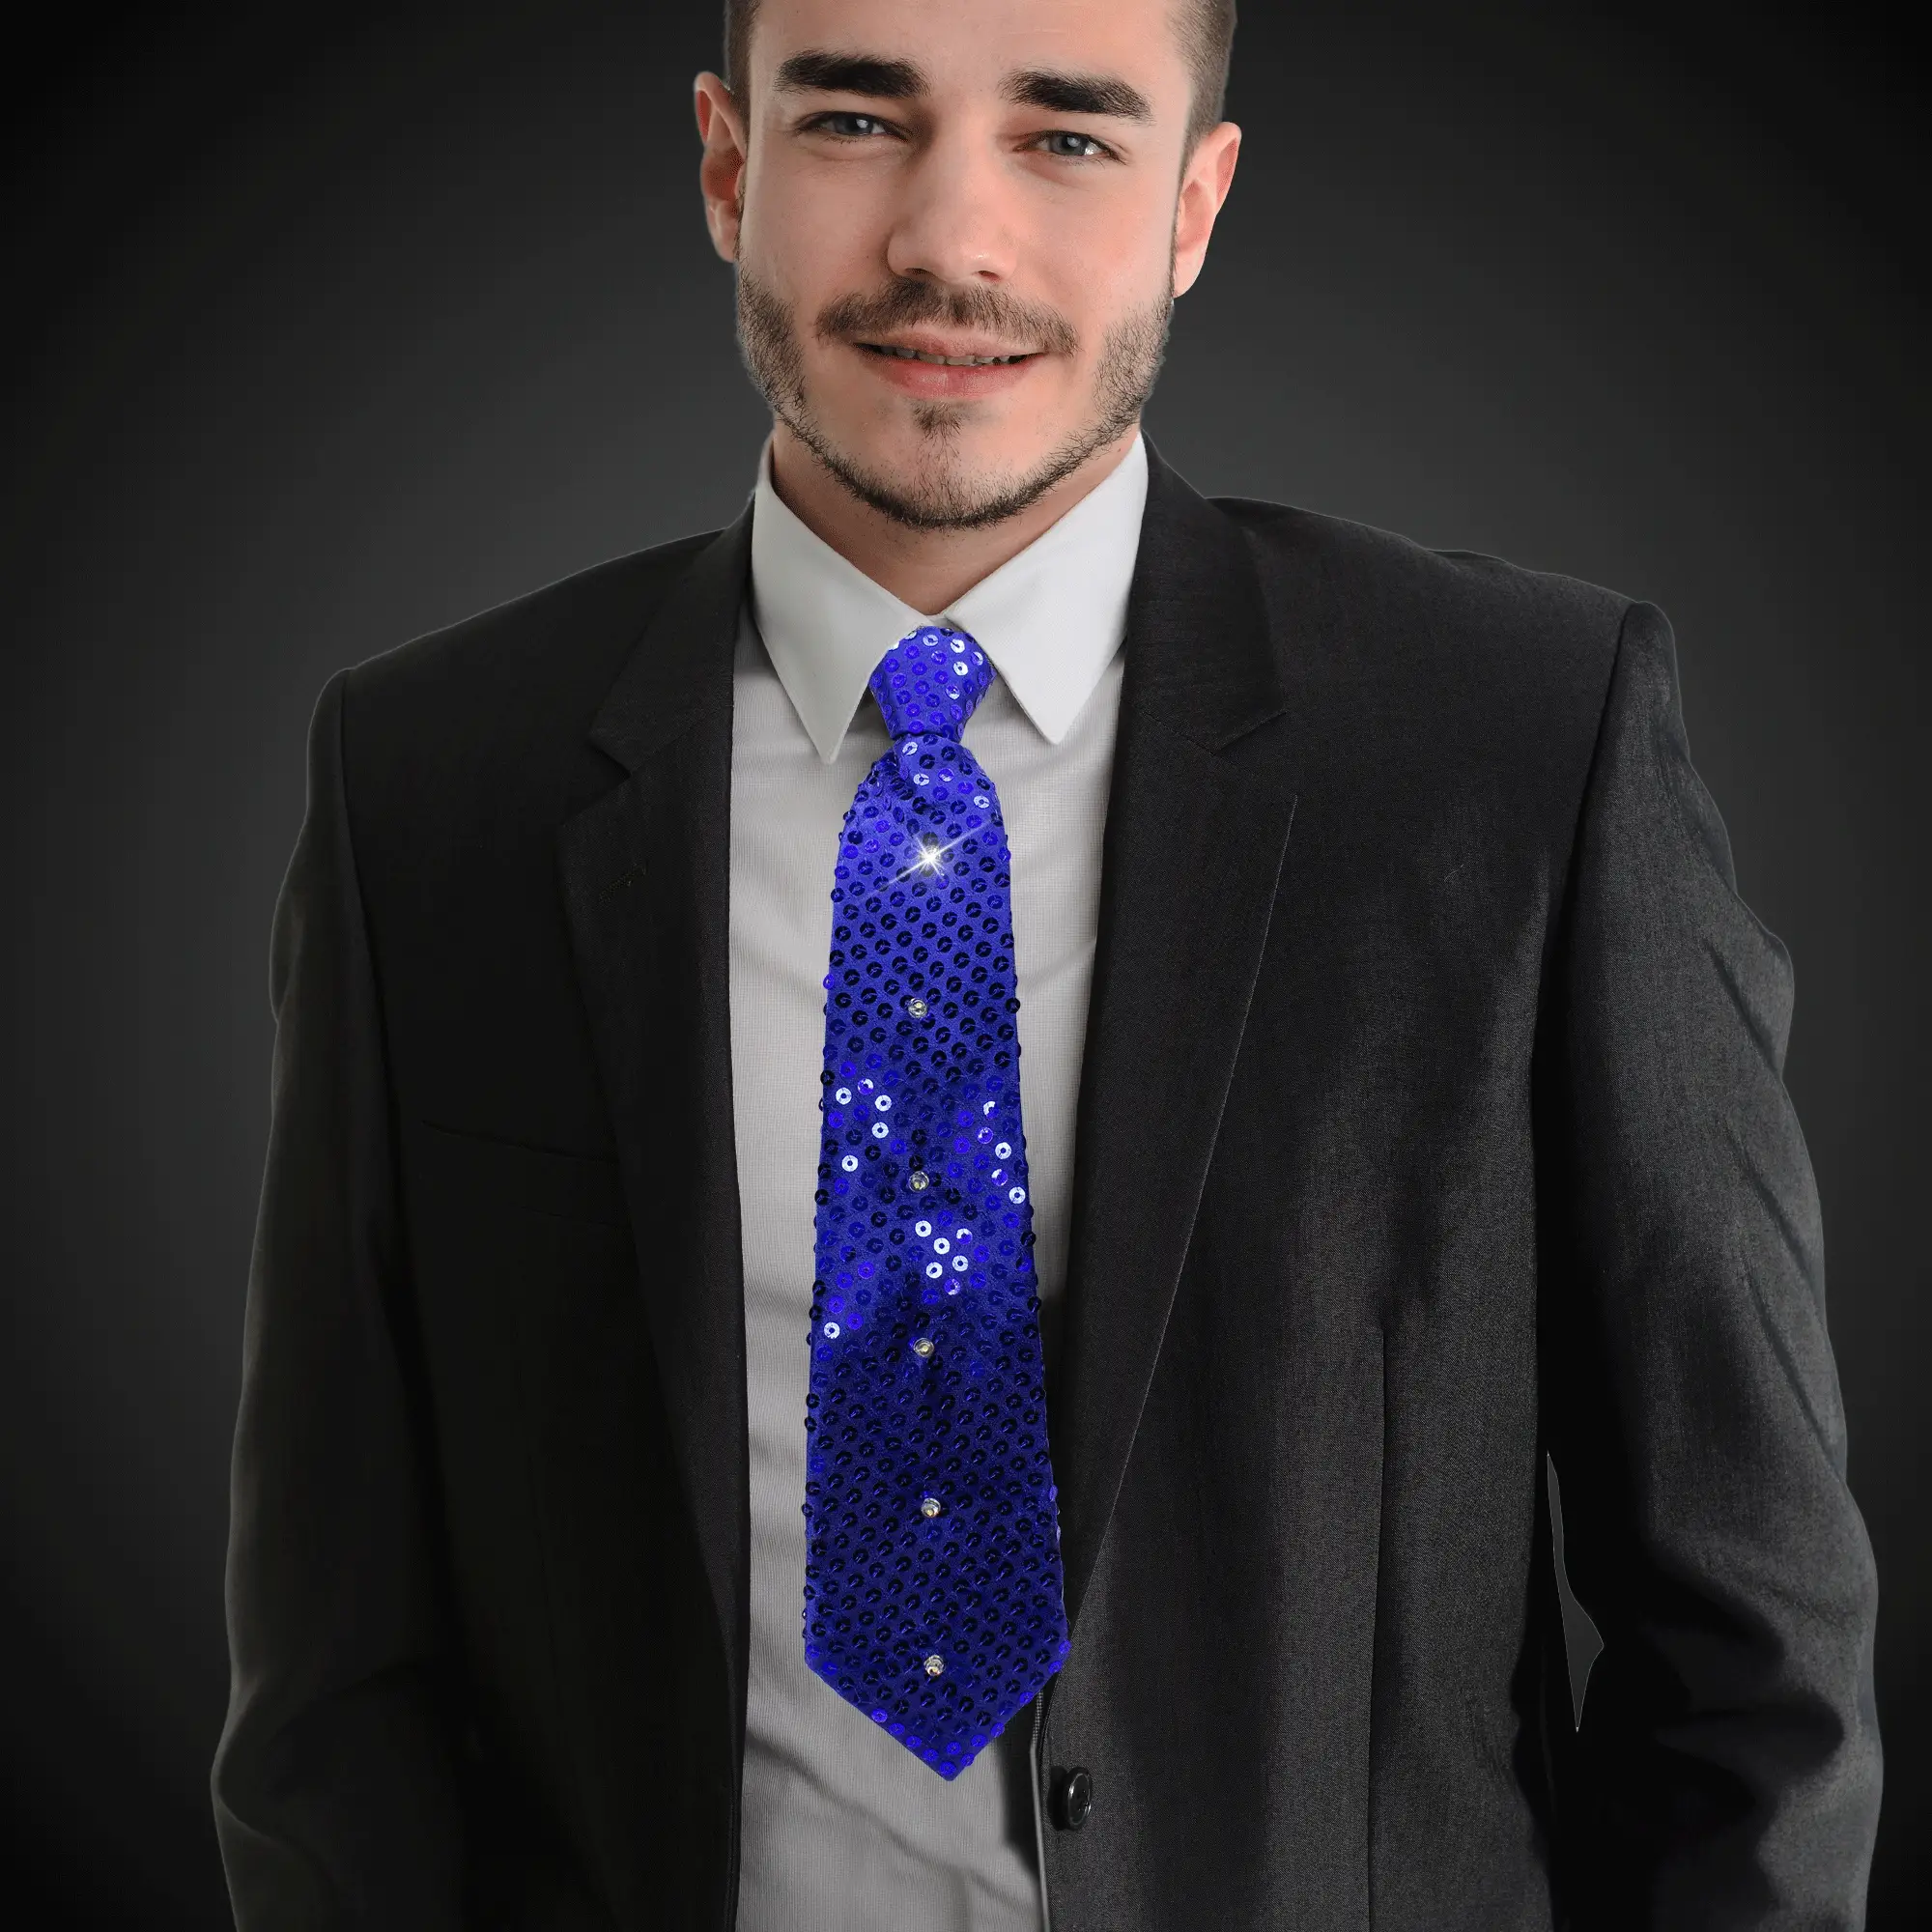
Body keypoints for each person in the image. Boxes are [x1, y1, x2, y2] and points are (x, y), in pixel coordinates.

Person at [210, 0, 1883, 1925]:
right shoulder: (433, 787)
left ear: (1194, 204)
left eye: (1067, 137)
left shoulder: (1522, 751)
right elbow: (331, 1698)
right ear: (728, 166)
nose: (951, 238)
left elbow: (1749, 1647)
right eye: (856, 121)